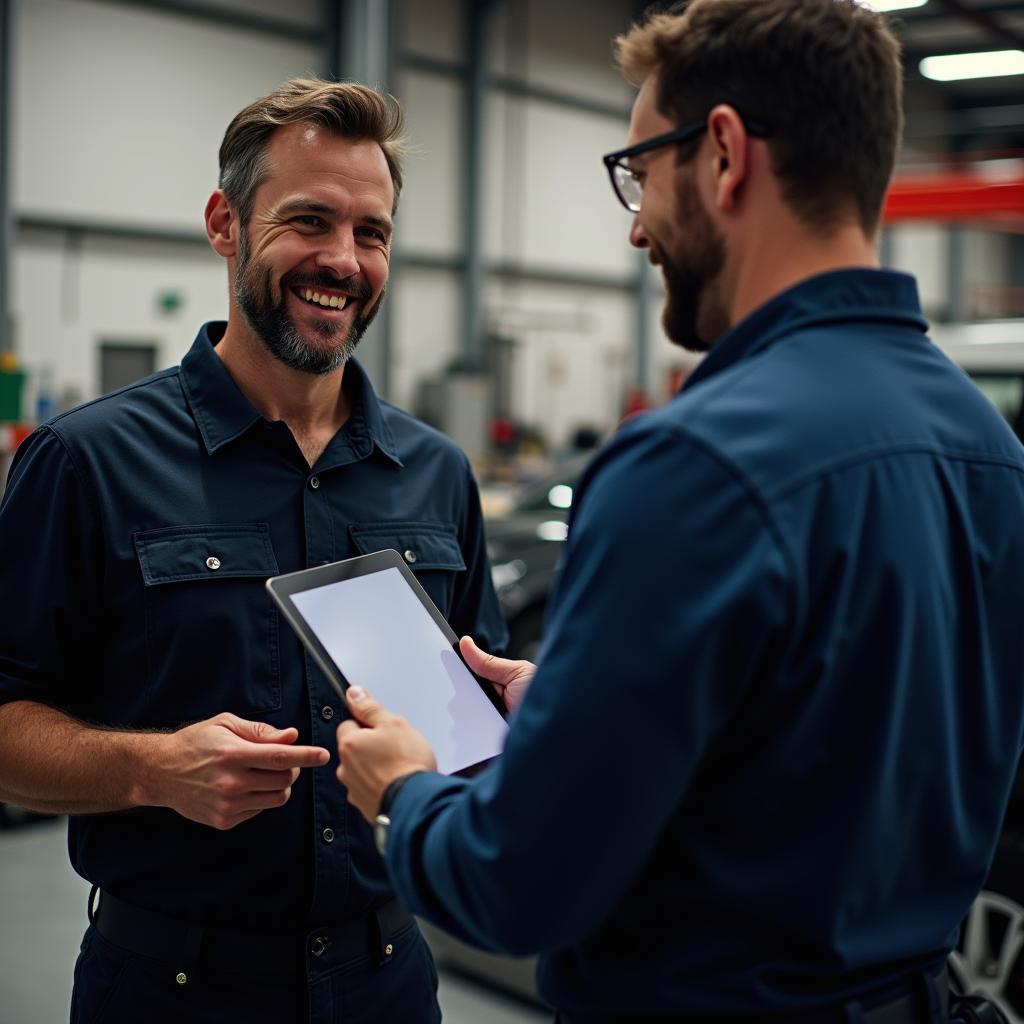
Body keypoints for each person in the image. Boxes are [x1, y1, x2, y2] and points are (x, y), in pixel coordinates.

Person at [333, 2, 1024, 1022]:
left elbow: (517, 883)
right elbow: (839, 755)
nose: (635, 221)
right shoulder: (988, 447)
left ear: (723, 154)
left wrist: (403, 792)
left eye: (641, 170)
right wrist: (582, 710)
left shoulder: (692, 463)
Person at [0, 78, 506, 1024]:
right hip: (169, 992)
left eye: (373, 233)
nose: (344, 261)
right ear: (225, 224)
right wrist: (148, 769)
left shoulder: (437, 473)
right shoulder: (87, 461)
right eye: (309, 221)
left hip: (389, 982)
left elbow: (482, 735)